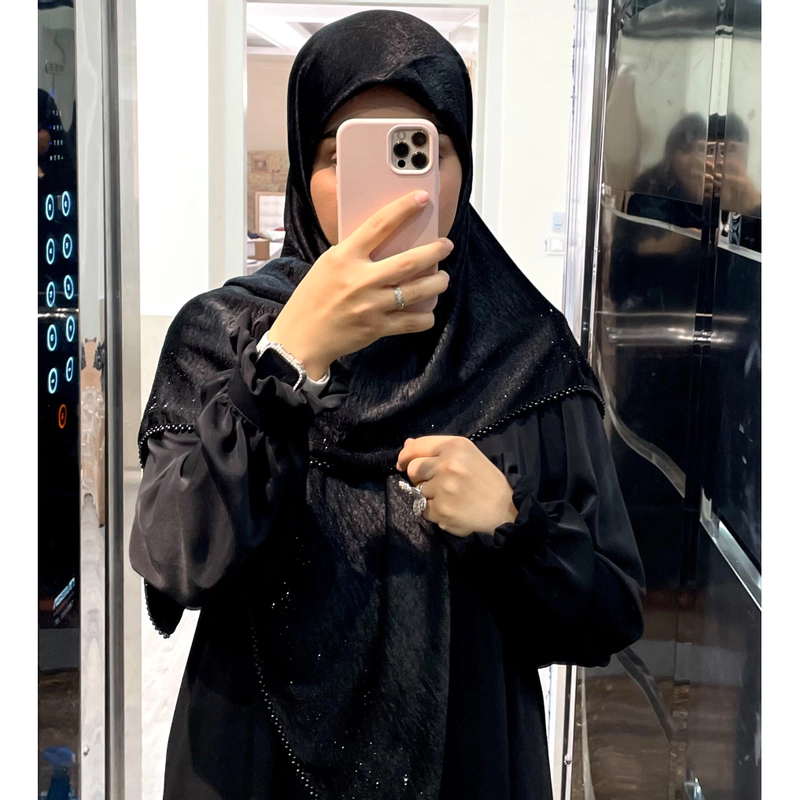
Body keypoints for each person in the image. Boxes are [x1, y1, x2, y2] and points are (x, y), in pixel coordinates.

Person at [130, 11, 645, 800]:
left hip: (468, 766)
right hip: (254, 763)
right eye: (342, 155)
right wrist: (287, 359)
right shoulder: (224, 333)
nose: (386, 195)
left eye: (419, 151)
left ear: (459, 168)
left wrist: (511, 524)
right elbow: (176, 558)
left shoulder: (525, 354)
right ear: (303, 171)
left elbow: (609, 612)